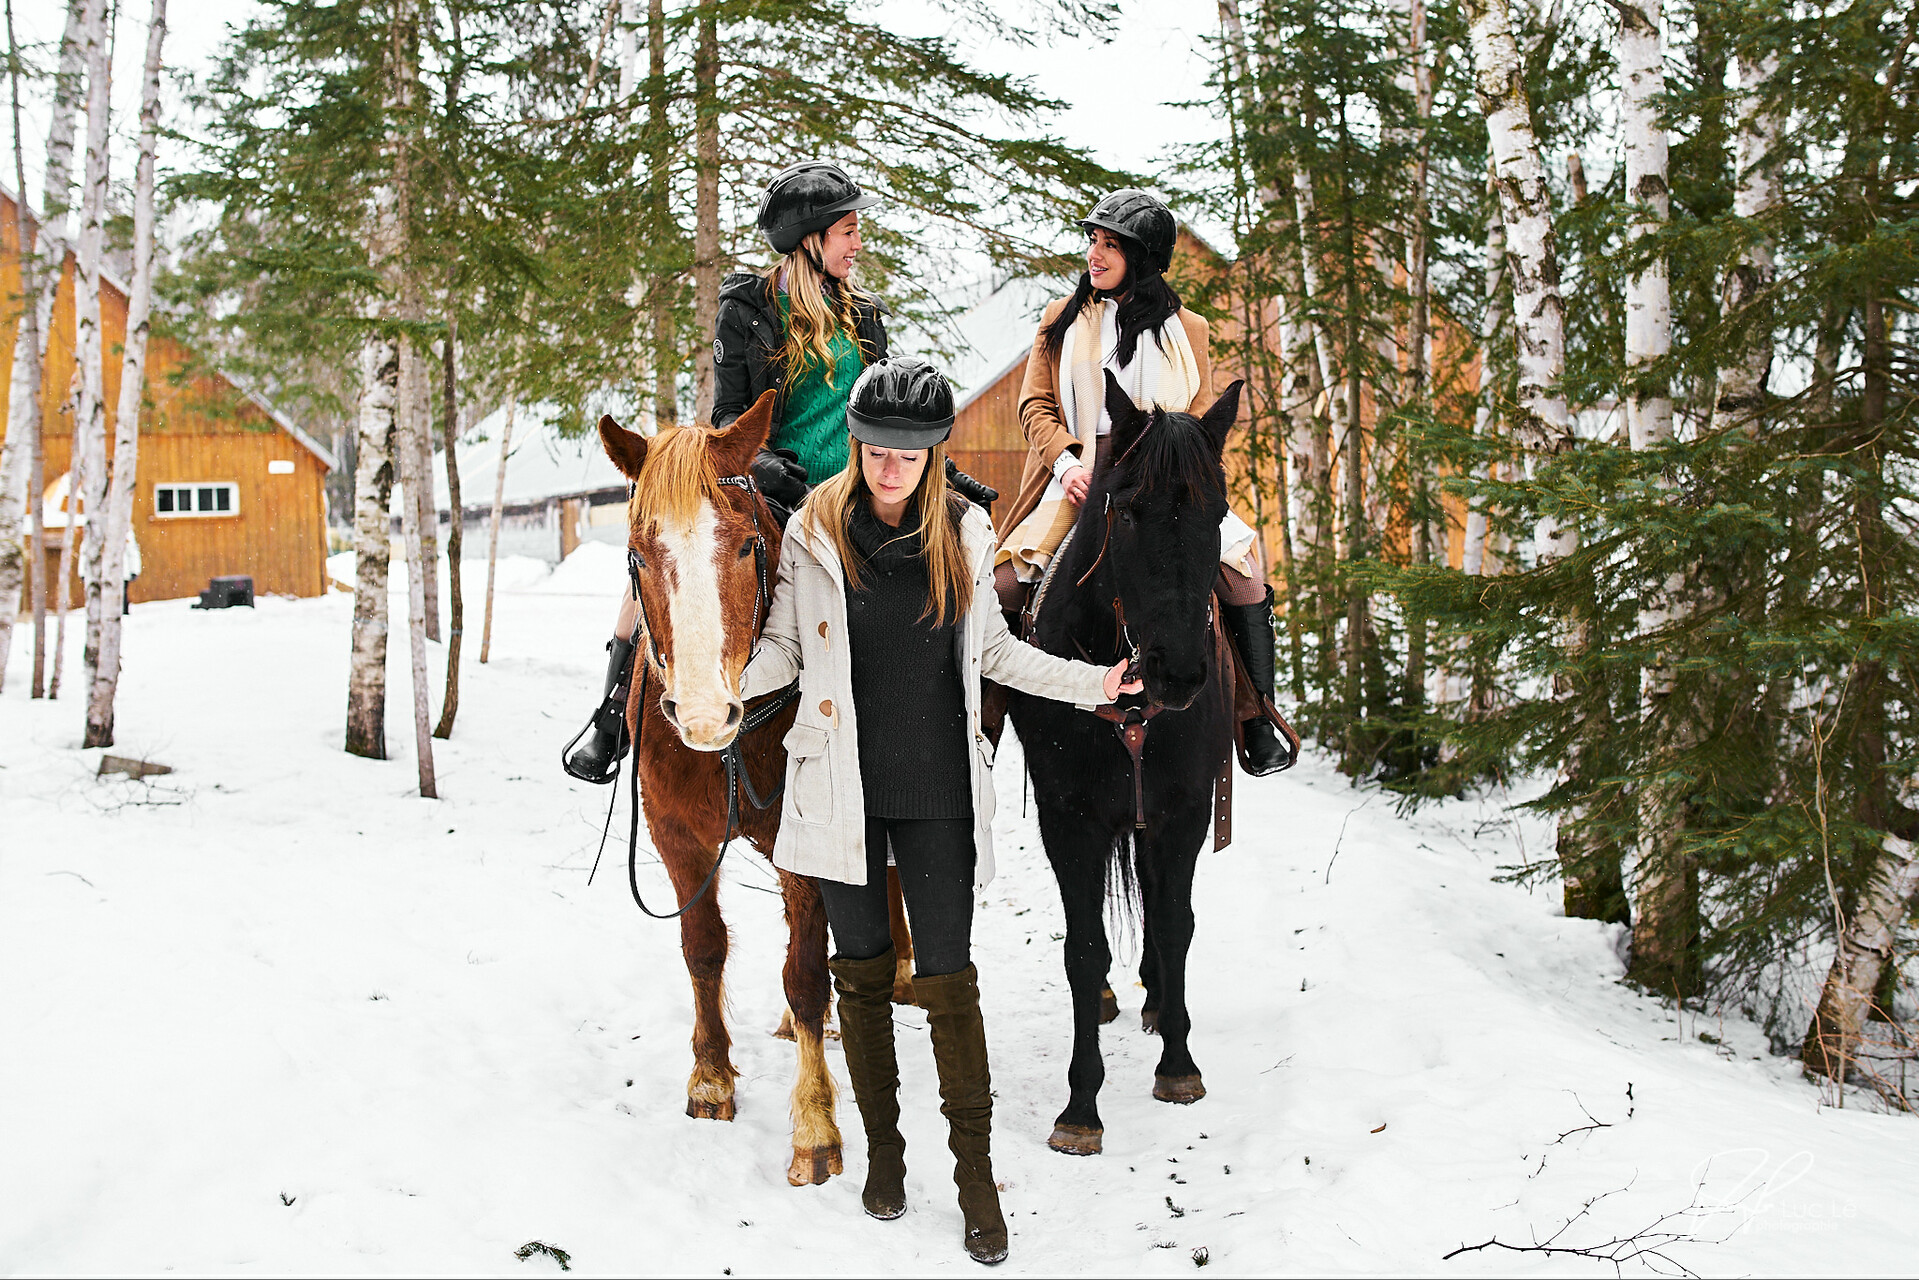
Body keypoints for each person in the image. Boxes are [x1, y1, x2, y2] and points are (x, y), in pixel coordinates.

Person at [740, 357, 1139, 1265]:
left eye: (908, 453)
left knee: (950, 987)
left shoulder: (965, 530)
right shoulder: (813, 530)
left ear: (932, 454)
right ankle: (884, 1155)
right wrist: (721, 688)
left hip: (938, 800)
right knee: (863, 981)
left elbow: (997, 655)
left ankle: (972, 1180)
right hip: (838, 791)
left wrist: (1094, 684)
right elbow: (781, 649)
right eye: (876, 450)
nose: (890, 467)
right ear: (857, 444)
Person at [564, 160, 993, 784]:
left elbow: (892, 416)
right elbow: (729, 412)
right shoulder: (748, 306)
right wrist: (775, 471)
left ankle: (931, 726)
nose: (858, 243)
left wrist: (948, 476)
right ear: (809, 238)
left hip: (859, 490)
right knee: (661, 569)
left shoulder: (862, 315)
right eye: (848, 230)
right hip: (777, 488)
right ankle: (611, 718)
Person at [991, 188, 1292, 774]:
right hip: (1079, 472)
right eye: (1093, 242)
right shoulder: (1060, 320)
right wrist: (1068, 464)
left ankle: (1256, 719)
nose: (1095, 256)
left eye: (1111, 246)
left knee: (1246, 579)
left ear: (1145, 256)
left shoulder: (1189, 329)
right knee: (1003, 585)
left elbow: (1202, 416)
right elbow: (1035, 407)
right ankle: (984, 726)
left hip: (1168, 480)